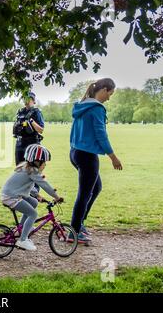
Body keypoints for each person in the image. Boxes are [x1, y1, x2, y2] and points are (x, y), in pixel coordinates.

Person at [69, 78, 123, 243]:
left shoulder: (82, 105)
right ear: (105, 89)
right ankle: (74, 231)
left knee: (96, 187)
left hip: (75, 152)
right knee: (84, 194)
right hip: (87, 155)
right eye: (110, 94)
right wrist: (113, 157)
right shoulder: (97, 108)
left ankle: (79, 224)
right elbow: (101, 135)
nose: (109, 98)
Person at [0, 144, 64, 251]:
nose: (45, 165)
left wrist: (37, 195)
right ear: (38, 162)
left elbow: (26, 185)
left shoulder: (25, 167)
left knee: (33, 202)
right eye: (44, 162)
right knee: (33, 214)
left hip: (11, 194)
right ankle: (23, 240)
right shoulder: (32, 171)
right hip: (11, 197)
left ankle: (21, 228)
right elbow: (45, 185)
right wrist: (56, 197)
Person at [13, 92, 45, 166]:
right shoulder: (20, 112)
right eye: (25, 99)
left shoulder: (36, 112)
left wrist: (31, 121)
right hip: (19, 144)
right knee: (19, 169)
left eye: (29, 99)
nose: (27, 101)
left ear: (34, 101)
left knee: (32, 169)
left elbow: (41, 130)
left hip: (32, 143)